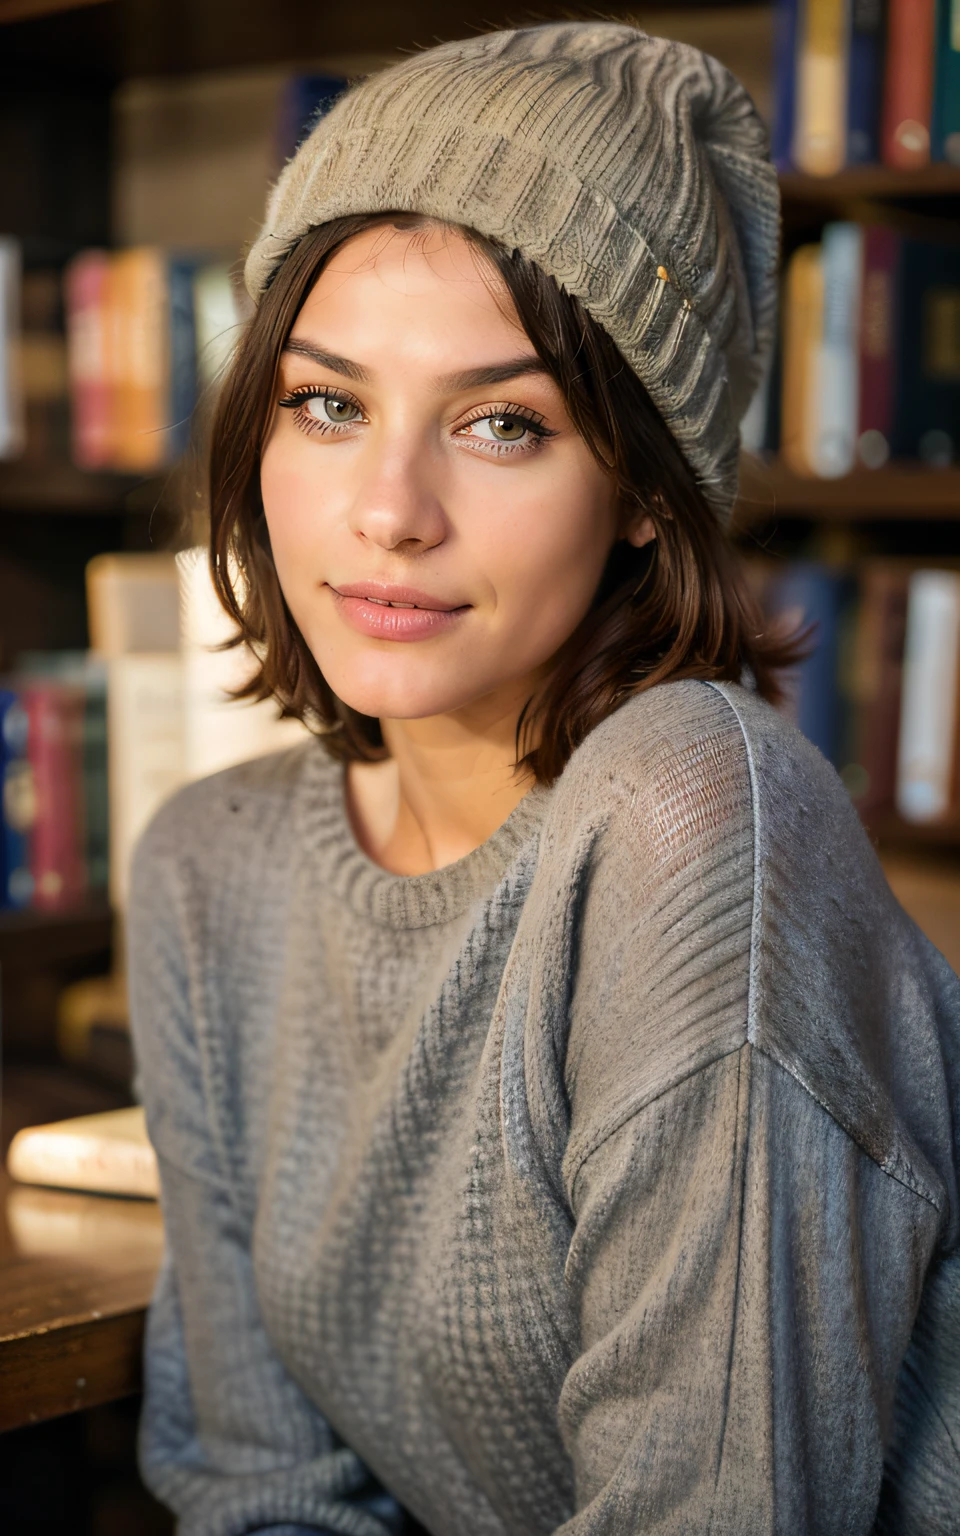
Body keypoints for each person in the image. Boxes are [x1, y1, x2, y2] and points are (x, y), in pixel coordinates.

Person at [129, 22, 960, 1536]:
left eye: (503, 424)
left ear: (645, 487)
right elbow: (259, 1491)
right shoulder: (209, 866)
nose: (389, 510)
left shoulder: (692, 810)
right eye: (327, 403)